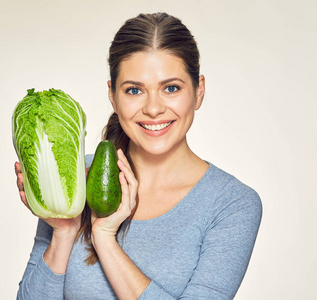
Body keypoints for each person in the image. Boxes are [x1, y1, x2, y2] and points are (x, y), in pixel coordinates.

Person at [15, 12, 262, 300]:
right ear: (113, 95)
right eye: (134, 90)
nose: (153, 108)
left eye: (171, 88)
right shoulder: (75, 181)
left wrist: (105, 238)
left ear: (198, 90)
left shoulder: (231, 204)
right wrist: (65, 230)